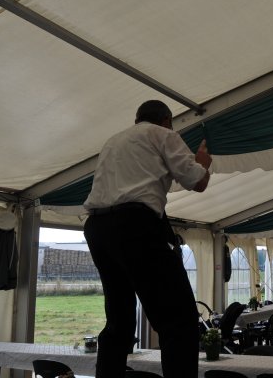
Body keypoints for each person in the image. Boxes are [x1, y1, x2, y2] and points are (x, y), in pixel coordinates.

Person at [83, 100, 212, 378]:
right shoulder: (163, 134)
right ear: (167, 120)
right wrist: (202, 163)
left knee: (119, 322)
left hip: (97, 228)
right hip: (134, 225)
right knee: (179, 321)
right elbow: (197, 181)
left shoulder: (113, 142)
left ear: (137, 120)